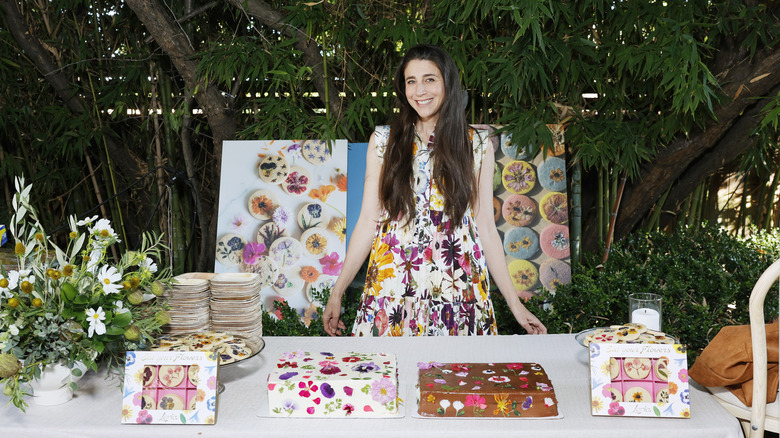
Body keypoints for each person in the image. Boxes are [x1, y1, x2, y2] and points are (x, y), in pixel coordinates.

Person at [323, 44, 547, 336]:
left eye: (430, 79)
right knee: (387, 378)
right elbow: (368, 221)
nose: (420, 91)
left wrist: (515, 305)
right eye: (411, 81)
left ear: (447, 83)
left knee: (460, 379)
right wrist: (337, 291)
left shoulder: (476, 144)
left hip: (458, 289)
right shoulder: (383, 141)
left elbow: (485, 228)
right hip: (393, 287)